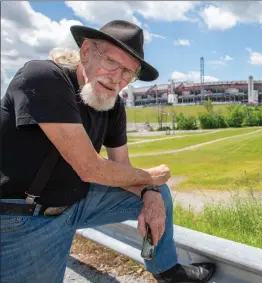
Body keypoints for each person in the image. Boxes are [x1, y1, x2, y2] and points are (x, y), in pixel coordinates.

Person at [0, 20, 216, 283]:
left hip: (74, 201)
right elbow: (89, 167)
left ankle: (168, 271)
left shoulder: (113, 106)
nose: (117, 78)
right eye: (112, 62)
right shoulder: (42, 77)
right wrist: (151, 176)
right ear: (86, 51)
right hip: (23, 215)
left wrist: (149, 192)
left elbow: (122, 168)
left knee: (159, 193)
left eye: (128, 73)